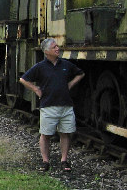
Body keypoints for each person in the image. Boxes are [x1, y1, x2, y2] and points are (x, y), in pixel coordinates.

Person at [19, 38, 85, 172]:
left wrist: (70, 85)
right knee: (45, 134)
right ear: (47, 51)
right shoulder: (40, 67)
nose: (57, 49)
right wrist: (36, 89)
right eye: (54, 47)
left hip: (66, 105)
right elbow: (23, 79)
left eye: (57, 46)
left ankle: (64, 160)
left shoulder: (66, 64)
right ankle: (45, 161)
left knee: (65, 133)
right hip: (48, 106)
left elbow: (80, 73)